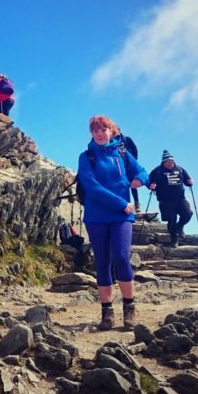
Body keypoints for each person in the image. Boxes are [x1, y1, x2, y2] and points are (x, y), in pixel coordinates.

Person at [77, 115, 149, 331]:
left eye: (103, 129)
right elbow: (92, 187)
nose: (99, 133)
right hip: (97, 215)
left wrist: (138, 181)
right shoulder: (86, 157)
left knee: (121, 257)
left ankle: (129, 308)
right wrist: (121, 203)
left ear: (112, 131)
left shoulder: (122, 153)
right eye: (95, 130)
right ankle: (107, 312)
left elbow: (142, 171)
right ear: (91, 133)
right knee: (102, 261)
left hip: (121, 217)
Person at [149, 150, 194, 248]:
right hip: (166, 201)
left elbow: (187, 180)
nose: (170, 164)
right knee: (172, 219)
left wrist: (190, 182)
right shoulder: (157, 171)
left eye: (171, 162)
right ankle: (174, 239)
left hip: (180, 199)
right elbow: (149, 181)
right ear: (163, 162)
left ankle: (180, 226)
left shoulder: (180, 169)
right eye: (167, 162)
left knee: (188, 213)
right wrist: (151, 186)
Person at [117, 131, 141, 212]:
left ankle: (137, 204)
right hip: (119, 167)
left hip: (129, 166)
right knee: (122, 184)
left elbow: (134, 149)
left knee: (133, 184)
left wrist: (134, 161)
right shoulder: (112, 141)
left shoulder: (126, 139)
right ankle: (125, 204)